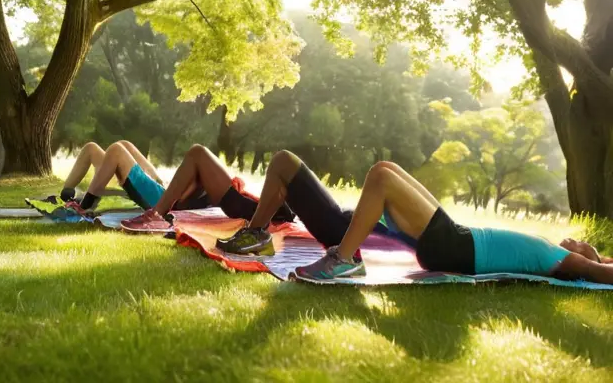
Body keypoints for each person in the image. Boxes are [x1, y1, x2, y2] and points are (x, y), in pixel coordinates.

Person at [222, 152, 613, 285]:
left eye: (584, 246)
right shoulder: (549, 252)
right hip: (455, 239)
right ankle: (342, 256)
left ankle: (342, 261)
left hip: (456, 244)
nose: (575, 241)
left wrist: (596, 263)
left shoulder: (562, 261)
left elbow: (599, 270)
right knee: (386, 168)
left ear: (583, 258)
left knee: (380, 176)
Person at [213, 150, 409, 256]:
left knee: (283, 161)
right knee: (283, 175)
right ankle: (256, 234)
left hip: (345, 233)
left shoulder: (421, 239)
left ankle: (255, 234)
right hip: (346, 224)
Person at [121, 144, 296, 231]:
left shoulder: (285, 206)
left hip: (242, 205)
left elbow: (282, 205)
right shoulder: (288, 197)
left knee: (197, 152)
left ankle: (158, 215)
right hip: (243, 204)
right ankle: (161, 211)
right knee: (197, 156)